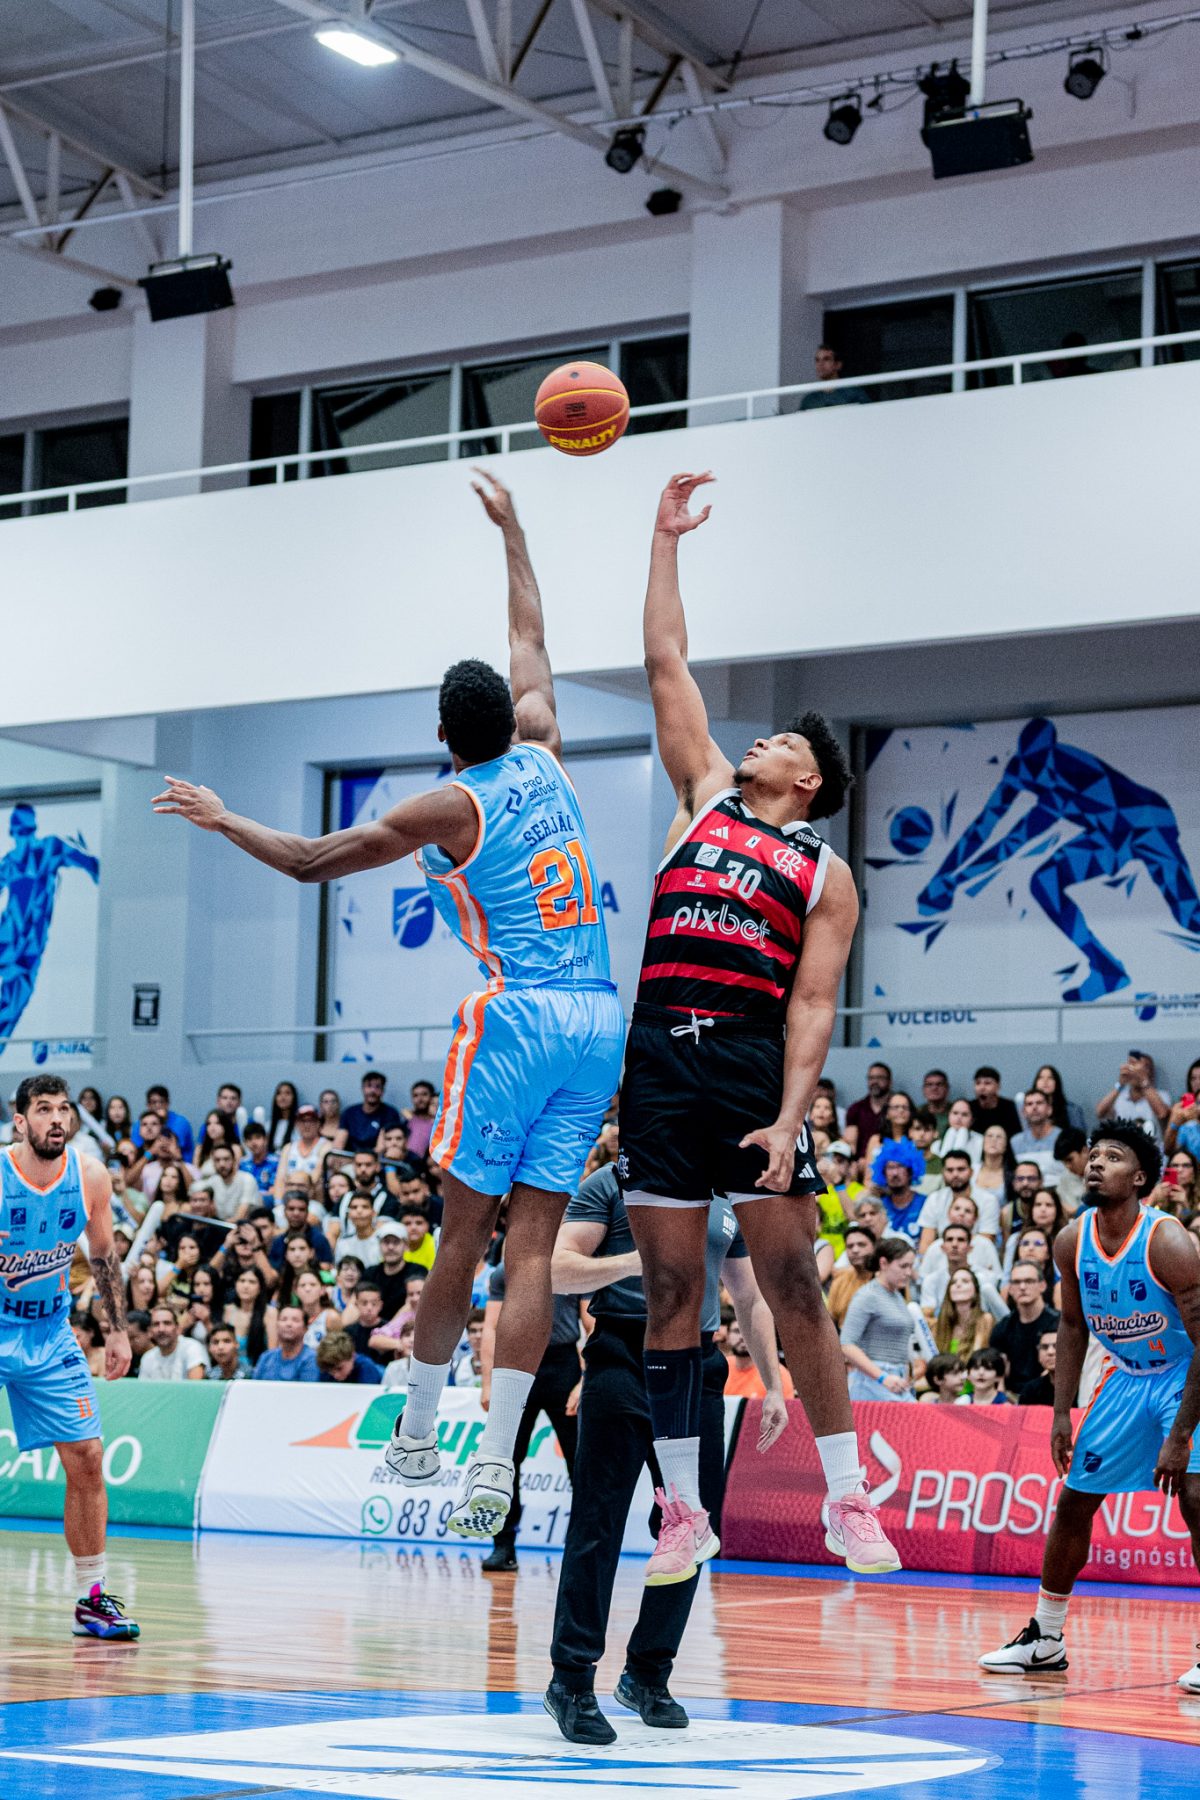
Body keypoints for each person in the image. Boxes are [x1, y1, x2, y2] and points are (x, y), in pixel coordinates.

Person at [157, 470, 626, 1545]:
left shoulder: (449, 803)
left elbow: (311, 859)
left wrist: (224, 820)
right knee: (534, 1252)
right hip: (599, 1019)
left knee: (463, 1231)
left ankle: (417, 1435)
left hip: (521, 1018)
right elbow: (531, 635)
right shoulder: (546, 747)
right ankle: (496, 1462)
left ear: (445, 731)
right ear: (512, 717)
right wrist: (515, 530)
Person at [614, 470, 899, 1584]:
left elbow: (814, 1006)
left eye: (779, 739)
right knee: (671, 1294)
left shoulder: (825, 872)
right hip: (657, 1052)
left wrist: (789, 1119)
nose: (760, 741)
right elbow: (664, 660)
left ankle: (846, 1499)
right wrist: (664, 540)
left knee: (790, 1283)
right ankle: (683, 1511)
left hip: (745, 1058)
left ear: (807, 778)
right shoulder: (701, 797)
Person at [545, 1159, 788, 1743]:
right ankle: (571, 1680)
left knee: (692, 1527)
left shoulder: (725, 1195)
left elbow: (750, 1297)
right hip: (622, 1357)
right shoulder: (610, 1183)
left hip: (697, 1365)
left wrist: (774, 1383)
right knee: (597, 1521)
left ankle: (648, 1674)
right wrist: (635, 1261)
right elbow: (558, 1269)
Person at [919, 718, 1200, 1005]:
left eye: (1040, 761)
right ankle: (1106, 970)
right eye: (1031, 761)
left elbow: (1015, 841)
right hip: (1110, 832)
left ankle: (1107, 970)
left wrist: (954, 881)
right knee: (1046, 882)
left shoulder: (1066, 772)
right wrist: (940, 879)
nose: (1036, 769)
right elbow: (983, 827)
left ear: (1050, 753)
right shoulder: (1020, 769)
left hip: (1148, 822)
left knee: (1190, 917)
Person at [0, 1075, 138, 1637]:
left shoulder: (90, 1175)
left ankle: (92, 1598)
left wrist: (118, 1331)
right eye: (43, 1109)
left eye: (63, 1109)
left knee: (87, 1457)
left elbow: (103, 1256)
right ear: (20, 1122)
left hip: (50, 1330)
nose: (56, 1118)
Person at [477, 1252, 581, 1572]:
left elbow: (592, 1325)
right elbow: (491, 1327)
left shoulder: (572, 1263)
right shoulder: (505, 1270)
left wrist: (585, 1380)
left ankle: (582, 1549)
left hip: (563, 1366)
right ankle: (503, 1545)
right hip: (518, 1364)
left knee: (580, 1461)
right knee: (506, 1460)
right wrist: (487, 1382)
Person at [840, 1238, 917, 1402]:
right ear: (883, 1263)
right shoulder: (868, 1295)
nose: (908, 1272)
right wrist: (882, 1377)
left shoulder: (897, 1296)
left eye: (911, 1266)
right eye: (903, 1266)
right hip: (872, 1382)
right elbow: (846, 1344)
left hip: (897, 1380)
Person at [990, 1259, 1061, 1397]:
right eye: (1016, 1282)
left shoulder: (1059, 1324)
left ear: (1042, 1285)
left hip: (1049, 1394)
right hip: (1011, 1397)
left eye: (1029, 1281)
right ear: (1010, 1289)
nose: (1022, 1287)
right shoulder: (1002, 1328)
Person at [920, 1224, 1006, 1320]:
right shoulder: (931, 1280)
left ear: (970, 1248)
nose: (954, 1244)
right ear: (942, 1248)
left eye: (961, 1240)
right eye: (949, 1239)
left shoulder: (987, 1278)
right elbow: (927, 1317)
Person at [917, 1148, 998, 1249]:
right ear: (943, 1172)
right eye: (950, 1170)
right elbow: (926, 1243)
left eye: (961, 1169)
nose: (955, 1174)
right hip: (942, 1254)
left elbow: (986, 1244)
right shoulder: (934, 1199)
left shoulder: (988, 1201)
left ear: (971, 1172)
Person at [1096, 1051, 1172, 1146]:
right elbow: (1100, 1112)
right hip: (1124, 1150)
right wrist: (1120, 1084)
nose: (1136, 1071)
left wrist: (1143, 1081)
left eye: (1144, 1067)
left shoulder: (1162, 1095)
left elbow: (1162, 1114)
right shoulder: (1119, 1097)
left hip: (1153, 1150)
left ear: (1151, 1072)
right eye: (1132, 1066)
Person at [722, 1316, 796, 1399]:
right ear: (727, 1336)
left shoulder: (777, 1375)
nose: (742, 1337)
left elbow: (786, 1406)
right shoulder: (719, 1367)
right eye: (737, 1331)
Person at [272, 1104, 330, 1199]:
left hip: (313, 1198)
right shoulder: (288, 1148)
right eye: (302, 1121)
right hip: (289, 1198)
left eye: (311, 1121)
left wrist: (295, 1187)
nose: (306, 1125)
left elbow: (316, 1177)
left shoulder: (326, 1146)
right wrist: (278, 1201)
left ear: (318, 1123)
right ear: (296, 1124)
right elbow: (280, 1178)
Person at [932, 1266, 993, 1358]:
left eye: (965, 1281)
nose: (958, 1284)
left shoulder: (985, 1319)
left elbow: (977, 1357)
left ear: (975, 1291)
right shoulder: (941, 1324)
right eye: (953, 1282)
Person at [871, 1140, 925, 1242]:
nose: (895, 1173)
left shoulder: (925, 1203)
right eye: (890, 1167)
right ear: (883, 1173)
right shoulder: (879, 1206)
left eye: (900, 1166)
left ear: (910, 1171)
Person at [138, 1303, 209, 1380]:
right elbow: (143, 1387)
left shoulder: (192, 1348)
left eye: (167, 1323)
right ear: (150, 1331)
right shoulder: (147, 1358)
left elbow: (195, 1385)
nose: (161, 1329)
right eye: (156, 1324)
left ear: (178, 1328)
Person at [825, 1222, 875, 1330]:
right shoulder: (840, 1279)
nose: (855, 1250)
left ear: (874, 1247)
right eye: (850, 1246)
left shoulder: (885, 1280)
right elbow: (830, 1320)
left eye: (861, 1245)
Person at [194, 1140, 259, 1221]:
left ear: (234, 1160)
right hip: (220, 1224)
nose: (222, 1164)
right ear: (213, 1163)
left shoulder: (247, 1179)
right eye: (217, 1160)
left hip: (245, 1225)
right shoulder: (212, 1181)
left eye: (226, 1159)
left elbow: (241, 1217)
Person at [267, 1190, 333, 1270]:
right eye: (291, 1209)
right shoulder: (278, 1242)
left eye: (301, 1209)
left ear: (307, 1212)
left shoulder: (319, 1239)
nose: (296, 1213)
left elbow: (327, 1267)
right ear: (284, 1212)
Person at [253, 1303, 320, 1381]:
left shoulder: (312, 1359)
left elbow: (307, 1388)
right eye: (284, 1319)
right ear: (277, 1325)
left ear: (305, 1328)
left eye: (295, 1320)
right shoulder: (266, 1358)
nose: (288, 1324)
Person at [1011, 1091, 1065, 1182]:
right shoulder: (1015, 1142)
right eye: (1029, 1104)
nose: (1034, 1107)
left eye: (1039, 1103)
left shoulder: (1062, 1137)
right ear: (1023, 1112)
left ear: (1049, 1109)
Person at [1016, 1064, 1087, 1134]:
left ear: (1056, 1083)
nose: (1045, 1081)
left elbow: (1079, 1136)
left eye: (1050, 1078)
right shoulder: (1027, 1107)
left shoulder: (1071, 1109)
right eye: (1041, 1077)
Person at [134, 1084, 195, 1163]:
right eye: (154, 1102)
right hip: (149, 1163)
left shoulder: (180, 1122)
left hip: (179, 1164)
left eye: (162, 1102)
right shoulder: (140, 1124)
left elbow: (169, 1149)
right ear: (148, 1105)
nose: (158, 1106)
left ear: (168, 1104)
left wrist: (161, 1120)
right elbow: (138, 1150)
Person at [798, 344, 870, 410]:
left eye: (826, 359)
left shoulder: (853, 394)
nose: (820, 364)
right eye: (817, 360)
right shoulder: (809, 400)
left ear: (838, 365)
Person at [844, 1062, 892, 1158]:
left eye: (880, 1078)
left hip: (890, 1159)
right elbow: (850, 1144)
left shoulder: (897, 1108)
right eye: (871, 1078)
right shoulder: (855, 1109)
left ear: (890, 1082)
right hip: (859, 1161)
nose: (875, 1082)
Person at [968, 1067, 1021, 1143]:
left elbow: (1015, 1136)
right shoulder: (969, 1107)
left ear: (998, 1086)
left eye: (987, 1083)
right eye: (978, 1083)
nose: (982, 1088)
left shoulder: (1009, 1107)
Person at [317, 1329, 383, 1384]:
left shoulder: (366, 1368)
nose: (336, 1375)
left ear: (353, 1356)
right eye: (331, 1371)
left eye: (339, 1368)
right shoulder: (326, 1367)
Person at [934, 1097, 984, 1168]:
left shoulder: (981, 1140)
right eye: (955, 1113)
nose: (959, 1117)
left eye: (964, 1114)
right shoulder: (937, 1143)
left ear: (972, 1120)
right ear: (948, 1116)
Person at [1053, 1127, 1090, 1213]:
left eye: (1069, 1160)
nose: (1067, 1166)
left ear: (1085, 1151)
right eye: (1064, 1162)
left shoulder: (1103, 1173)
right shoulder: (1065, 1179)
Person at [1018, 1328, 1058, 1405]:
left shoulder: (1082, 1388)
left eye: (1057, 1346)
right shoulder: (1030, 1391)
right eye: (1044, 1347)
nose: (1050, 1352)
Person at [238, 1122, 279, 1196]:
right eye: (249, 1139)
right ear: (245, 1142)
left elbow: (276, 1189)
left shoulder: (276, 1162)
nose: (254, 1143)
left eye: (257, 1137)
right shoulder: (242, 1164)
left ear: (265, 1139)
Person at [405, 1079, 438, 1164]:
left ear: (432, 1097)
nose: (420, 1099)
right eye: (415, 1095)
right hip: (408, 1163)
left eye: (424, 1094)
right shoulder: (408, 1121)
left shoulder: (439, 1122)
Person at [921, 1070, 951, 1137]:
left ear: (947, 1088)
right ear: (923, 1090)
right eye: (929, 1085)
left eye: (939, 1084)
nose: (934, 1088)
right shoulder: (917, 1113)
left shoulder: (956, 1112)